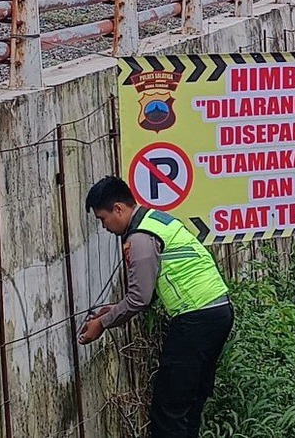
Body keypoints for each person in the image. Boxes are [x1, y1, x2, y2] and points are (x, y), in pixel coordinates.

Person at [79, 176, 235, 438]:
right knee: (190, 403)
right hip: (217, 311)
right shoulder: (158, 219)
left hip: (195, 319)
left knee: (168, 409)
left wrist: (102, 323)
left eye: (103, 218)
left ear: (119, 208)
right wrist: (114, 309)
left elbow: (140, 298)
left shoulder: (140, 237)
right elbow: (146, 292)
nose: (104, 226)